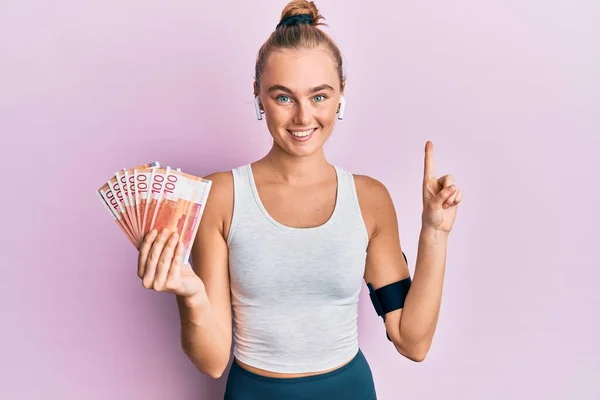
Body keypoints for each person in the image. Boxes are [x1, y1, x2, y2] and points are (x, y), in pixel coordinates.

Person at [136, 1, 463, 398]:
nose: (303, 117)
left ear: (341, 94)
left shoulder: (369, 199)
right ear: (258, 96)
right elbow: (212, 360)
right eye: (284, 97)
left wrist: (435, 232)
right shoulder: (222, 196)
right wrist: (190, 294)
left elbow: (412, 341)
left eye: (319, 96)